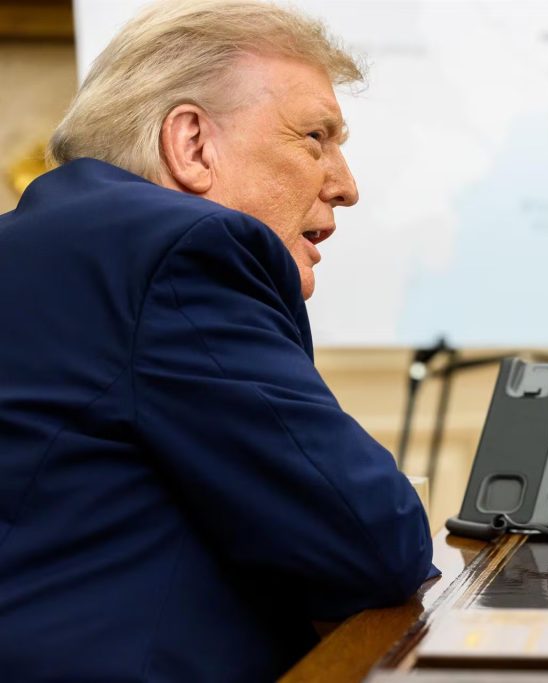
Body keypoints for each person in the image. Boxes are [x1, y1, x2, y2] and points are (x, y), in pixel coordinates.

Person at [0, 1, 435, 680]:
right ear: (193, 145)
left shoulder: (38, 242)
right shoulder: (184, 250)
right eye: (315, 137)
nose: (346, 186)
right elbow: (374, 543)